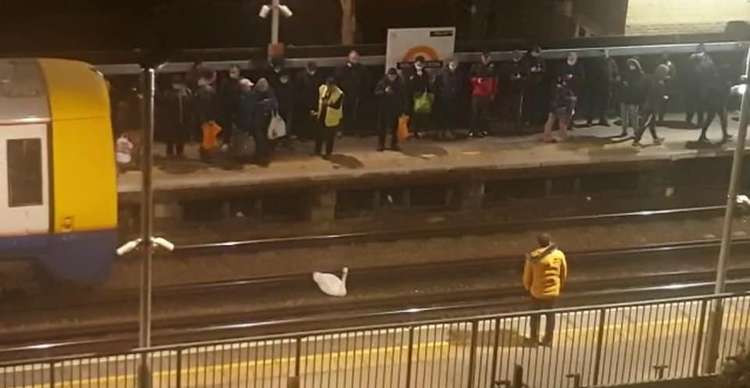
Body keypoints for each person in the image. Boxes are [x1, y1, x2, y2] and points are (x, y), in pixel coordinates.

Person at [523, 233, 567, 347]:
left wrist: (528, 287)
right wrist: (559, 285)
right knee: (550, 316)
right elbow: (564, 273)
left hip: (537, 292)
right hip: (553, 292)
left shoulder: (533, 257)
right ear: (549, 241)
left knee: (534, 316)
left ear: (538, 243)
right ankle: (548, 340)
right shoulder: (559, 255)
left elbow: (527, 276)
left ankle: (533, 340)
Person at [694, 49, 732, 143]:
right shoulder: (706, 68)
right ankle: (705, 135)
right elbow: (713, 82)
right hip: (714, 95)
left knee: (719, 115)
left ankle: (723, 134)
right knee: (716, 116)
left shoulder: (706, 68)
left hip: (713, 95)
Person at [633, 65, 668, 147]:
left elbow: (644, 90)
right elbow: (657, 94)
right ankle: (636, 140)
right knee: (645, 123)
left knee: (651, 123)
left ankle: (655, 138)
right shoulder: (659, 82)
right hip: (652, 105)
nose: (666, 74)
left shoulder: (650, 78)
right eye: (665, 72)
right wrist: (664, 97)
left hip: (647, 103)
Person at [159, 74, 194, 159]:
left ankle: (180, 152)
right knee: (170, 136)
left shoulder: (187, 92)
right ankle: (169, 153)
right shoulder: (168, 93)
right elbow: (164, 106)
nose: (177, 85)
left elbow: (191, 105)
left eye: (179, 83)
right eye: (175, 83)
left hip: (184, 118)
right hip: (171, 119)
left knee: (181, 136)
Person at [336, 50, 370, 136]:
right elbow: (337, 81)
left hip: (358, 95)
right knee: (343, 113)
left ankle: (356, 130)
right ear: (348, 58)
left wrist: (363, 94)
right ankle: (342, 130)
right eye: (353, 58)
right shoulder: (341, 69)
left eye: (356, 58)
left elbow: (367, 82)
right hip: (344, 95)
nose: (355, 60)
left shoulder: (363, 69)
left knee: (357, 114)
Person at [374, 68, 405, 151]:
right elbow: (376, 93)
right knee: (381, 127)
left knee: (395, 127)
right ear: (387, 75)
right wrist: (384, 91)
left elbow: (403, 96)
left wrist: (403, 108)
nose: (392, 77)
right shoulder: (382, 82)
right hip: (383, 108)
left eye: (393, 76)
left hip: (395, 108)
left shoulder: (400, 83)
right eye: (390, 75)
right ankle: (381, 144)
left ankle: (394, 144)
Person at [314, 77, 344, 158]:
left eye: (331, 86)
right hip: (322, 115)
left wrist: (327, 103)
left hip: (332, 118)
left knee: (329, 137)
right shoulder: (322, 88)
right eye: (328, 86)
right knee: (319, 135)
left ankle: (328, 153)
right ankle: (317, 151)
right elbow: (318, 100)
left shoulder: (339, 93)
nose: (329, 88)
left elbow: (336, 106)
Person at [469, 52, 497, 137]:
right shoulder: (475, 66)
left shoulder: (493, 67)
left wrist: (493, 93)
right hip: (477, 93)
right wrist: (477, 80)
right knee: (475, 113)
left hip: (487, 94)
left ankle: (484, 129)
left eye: (488, 57)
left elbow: (495, 81)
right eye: (484, 57)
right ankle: (473, 130)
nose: (486, 59)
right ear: (481, 57)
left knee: (485, 113)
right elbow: (470, 78)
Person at [434, 58, 464, 140]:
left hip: (454, 98)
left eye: (455, 64)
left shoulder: (459, 74)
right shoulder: (442, 73)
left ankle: (449, 131)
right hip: (443, 98)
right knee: (442, 115)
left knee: (451, 116)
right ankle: (440, 132)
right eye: (452, 64)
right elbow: (437, 85)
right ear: (449, 64)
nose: (454, 66)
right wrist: (440, 94)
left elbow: (460, 86)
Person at [252, 78, 278, 166]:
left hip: (267, 120)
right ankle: (260, 158)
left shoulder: (270, 92)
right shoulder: (255, 93)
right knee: (259, 140)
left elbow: (275, 103)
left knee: (266, 139)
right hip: (257, 120)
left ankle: (264, 156)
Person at [542, 75, 576, 143]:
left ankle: (546, 136)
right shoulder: (563, 88)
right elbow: (566, 98)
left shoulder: (556, 86)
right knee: (562, 122)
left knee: (550, 121)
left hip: (554, 106)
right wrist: (571, 99)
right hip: (560, 106)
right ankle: (563, 136)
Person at [295, 61, 323, 140]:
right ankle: (303, 135)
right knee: (303, 120)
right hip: (303, 102)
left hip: (315, 101)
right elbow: (297, 90)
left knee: (314, 120)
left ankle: (313, 135)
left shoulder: (319, 76)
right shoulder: (300, 76)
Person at [407, 56, 433, 138]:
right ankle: (411, 131)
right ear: (415, 63)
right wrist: (416, 76)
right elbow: (407, 84)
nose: (420, 65)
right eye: (418, 63)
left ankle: (419, 131)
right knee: (411, 114)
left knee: (421, 114)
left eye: (421, 64)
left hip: (422, 97)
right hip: (411, 96)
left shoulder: (425, 73)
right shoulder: (409, 71)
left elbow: (427, 84)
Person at [586, 50, 613, 127]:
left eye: (606, 52)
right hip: (596, 86)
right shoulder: (596, 61)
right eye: (603, 52)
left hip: (607, 86)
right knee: (593, 103)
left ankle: (603, 119)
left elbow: (614, 71)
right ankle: (590, 120)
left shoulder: (611, 61)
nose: (605, 53)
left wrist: (614, 79)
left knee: (605, 104)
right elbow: (591, 73)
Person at [620, 58, 646, 138]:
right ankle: (624, 130)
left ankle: (636, 131)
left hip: (634, 98)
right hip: (625, 96)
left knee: (634, 116)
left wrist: (629, 84)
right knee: (624, 116)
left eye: (632, 64)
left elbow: (640, 85)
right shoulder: (626, 73)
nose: (630, 66)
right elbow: (621, 82)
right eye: (629, 64)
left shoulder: (640, 74)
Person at [558, 52, 585, 126]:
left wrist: (573, 77)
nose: (572, 58)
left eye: (573, 57)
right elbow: (559, 75)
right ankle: (563, 122)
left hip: (575, 88)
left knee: (573, 106)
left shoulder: (579, 66)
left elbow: (582, 77)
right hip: (565, 89)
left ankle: (570, 122)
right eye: (570, 56)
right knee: (564, 106)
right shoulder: (563, 65)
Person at [522, 46, 547, 127]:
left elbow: (544, 69)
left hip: (538, 83)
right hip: (528, 84)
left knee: (536, 102)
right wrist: (531, 70)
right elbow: (525, 69)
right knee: (527, 102)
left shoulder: (540, 59)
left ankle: (535, 120)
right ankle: (526, 120)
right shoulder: (526, 59)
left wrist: (539, 70)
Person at [218, 65, 243, 146]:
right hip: (227, 108)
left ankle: (238, 144)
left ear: (238, 72)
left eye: (234, 71)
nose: (232, 73)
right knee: (227, 126)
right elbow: (221, 96)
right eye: (231, 71)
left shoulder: (242, 82)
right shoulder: (225, 82)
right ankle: (226, 142)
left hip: (239, 109)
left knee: (238, 127)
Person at [503, 50, 527, 132]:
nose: (517, 57)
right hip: (508, 89)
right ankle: (507, 127)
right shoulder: (507, 65)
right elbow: (504, 76)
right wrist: (511, 77)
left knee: (518, 109)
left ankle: (517, 127)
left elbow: (527, 76)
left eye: (518, 55)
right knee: (508, 107)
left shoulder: (523, 65)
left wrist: (520, 77)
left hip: (519, 89)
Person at [234, 78, 257, 160]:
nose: (250, 88)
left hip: (248, 121)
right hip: (241, 122)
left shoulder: (250, 96)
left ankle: (246, 156)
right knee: (240, 140)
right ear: (243, 87)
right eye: (248, 86)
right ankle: (239, 156)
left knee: (247, 139)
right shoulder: (239, 97)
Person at [685, 47, 706, 127]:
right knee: (697, 106)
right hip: (696, 89)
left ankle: (691, 121)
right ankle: (695, 121)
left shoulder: (692, 65)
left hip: (695, 88)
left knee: (694, 106)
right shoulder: (697, 66)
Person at [657, 54, 678, 123]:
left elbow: (673, 75)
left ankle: (661, 117)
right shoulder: (659, 64)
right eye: (662, 56)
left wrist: (667, 78)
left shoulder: (670, 65)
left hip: (667, 88)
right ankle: (660, 117)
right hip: (660, 87)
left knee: (664, 101)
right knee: (660, 102)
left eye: (665, 56)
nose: (663, 57)